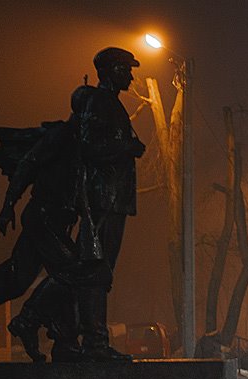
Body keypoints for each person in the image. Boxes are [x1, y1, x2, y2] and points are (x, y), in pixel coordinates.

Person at [0, 86, 95, 363]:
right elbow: (28, 164)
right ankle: (28, 320)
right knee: (75, 271)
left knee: (16, 279)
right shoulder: (62, 135)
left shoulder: (80, 141)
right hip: (44, 217)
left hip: (56, 220)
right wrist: (8, 204)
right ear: (84, 111)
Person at [74, 46, 147, 361]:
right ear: (110, 71)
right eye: (125, 69)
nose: (130, 76)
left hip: (113, 199)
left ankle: (92, 339)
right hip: (102, 199)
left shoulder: (110, 104)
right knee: (96, 271)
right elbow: (88, 146)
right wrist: (127, 146)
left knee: (101, 271)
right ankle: (95, 343)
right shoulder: (99, 102)